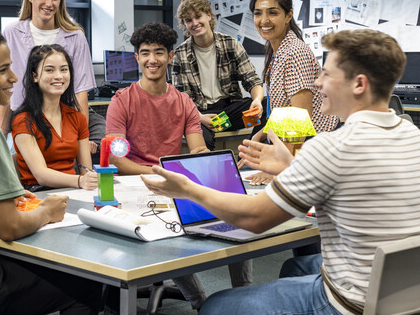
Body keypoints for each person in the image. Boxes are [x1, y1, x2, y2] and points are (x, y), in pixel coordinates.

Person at [142, 29, 420, 315]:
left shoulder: (332, 147)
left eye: (326, 74)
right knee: (295, 266)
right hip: (406, 291)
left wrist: (188, 189)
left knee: (216, 306)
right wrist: (294, 167)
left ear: (359, 84)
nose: (317, 83)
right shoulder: (412, 134)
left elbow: (253, 217)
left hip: (349, 303)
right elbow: (354, 185)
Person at [105, 22, 251, 311]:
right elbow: (116, 160)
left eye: (159, 53)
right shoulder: (121, 101)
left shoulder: (183, 102)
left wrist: (209, 162)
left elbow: (196, 146)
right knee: (171, 227)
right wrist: (162, 173)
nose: (152, 60)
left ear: (170, 57)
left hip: (174, 183)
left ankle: (245, 298)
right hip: (137, 186)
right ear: (137, 58)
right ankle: (201, 303)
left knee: (233, 210)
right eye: (145, 53)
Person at [0, 26, 101, 315]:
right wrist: (47, 211)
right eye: (3, 70)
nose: (12, 78)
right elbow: (8, 228)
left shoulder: (75, 116)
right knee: (87, 282)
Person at [0, 0, 104, 157]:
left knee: (100, 145)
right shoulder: (11, 32)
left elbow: (80, 91)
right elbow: (7, 87)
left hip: (66, 115)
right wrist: (2, 132)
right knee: (10, 157)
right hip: (26, 116)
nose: (49, 3)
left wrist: (82, 138)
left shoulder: (75, 35)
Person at [247, 0, 339, 185]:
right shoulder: (277, 50)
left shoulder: (294, 52)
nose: (264, 20)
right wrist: (259, 135)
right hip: (292, 142)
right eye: (258, 13)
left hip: (311, 146)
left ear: (288, 16)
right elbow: (284, 110)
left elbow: (299, 118)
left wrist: (281, 170)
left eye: (273, 13)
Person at [172, 0, 265, 151]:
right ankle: (209, 173)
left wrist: (257, 100)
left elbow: (252, 80)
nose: (194, 23)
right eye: (188, 20)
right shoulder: (180, 55)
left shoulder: (231, 44)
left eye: (198, 16)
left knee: (266, 106)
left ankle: (249, 153)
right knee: (201, 139)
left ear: (209, 15)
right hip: (199, 113)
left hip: (229, 109)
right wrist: (200, 118)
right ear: (185, 25)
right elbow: (182, 100)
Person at [11, 44, 97, 191]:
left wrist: (92, 179)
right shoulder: (23, 119)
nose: (59, 76)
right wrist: (80, 180)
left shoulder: (78, 118)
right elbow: (41, 175)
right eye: (49, 70)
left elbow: (85, 170)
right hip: (38, 194)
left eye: (64, 69)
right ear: (35, 76)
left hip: (74, 191)